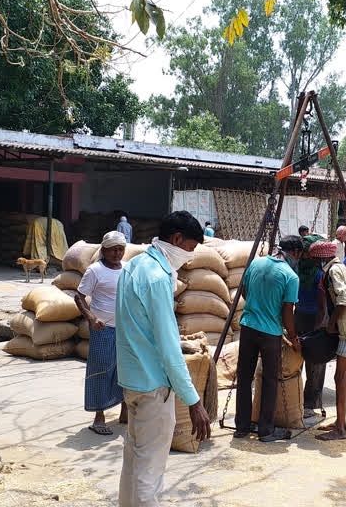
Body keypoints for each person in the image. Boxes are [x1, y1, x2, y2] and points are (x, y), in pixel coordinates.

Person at [115, 211, 211, 507]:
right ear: (177, 239)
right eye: (190, 248)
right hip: (154, 385)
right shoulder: (158, 278)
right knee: (150, 473)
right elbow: (169, 348)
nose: (190, 257)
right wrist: (194, 401)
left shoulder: (134, 265)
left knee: (134, 459)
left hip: (132, 380)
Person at [235, 235, 303, 442]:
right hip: (270, 333)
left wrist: (256, 306)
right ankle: (265, 430)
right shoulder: (290, 276)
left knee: (244, 378)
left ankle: (242, 427)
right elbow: (287, 312)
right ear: (296, 253)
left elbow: (244, 290)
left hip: (247, 327)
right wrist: (293, 337)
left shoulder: (255, 263)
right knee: (271, 380)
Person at [309, 240, 346, 441]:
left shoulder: (332, 272)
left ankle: (341, 429)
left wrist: (332, 324)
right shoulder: (343, 267)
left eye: (315, 259)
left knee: (341, 378)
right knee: (343, 377)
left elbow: (342, 301)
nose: (315, 264)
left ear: (321, 258)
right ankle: (340, 422)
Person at [75, 231, 128, 435]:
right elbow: (79, 297)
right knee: (101, 370)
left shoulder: (127, 269)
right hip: (102, 329)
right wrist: (91, 318)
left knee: (124, 369)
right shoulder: (95, 271)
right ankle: (99, 417)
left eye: (121, 249)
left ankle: (125, 411)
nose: (117, 253)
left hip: (124, 328)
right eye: (113, 249)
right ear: (104, 250)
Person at [296, 235, 327, 419]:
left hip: (299, 316)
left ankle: (298, 399)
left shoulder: (296, 269)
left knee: (298, 360)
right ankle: (309, 403)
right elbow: (323, 305)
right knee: (315, 363)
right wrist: (319, 327)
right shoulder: (319, 273)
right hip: (313, 318)